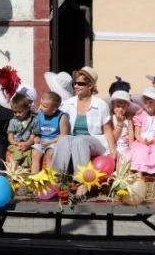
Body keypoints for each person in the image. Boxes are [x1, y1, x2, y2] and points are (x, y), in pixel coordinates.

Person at [51, 67, 117, 198]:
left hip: (95, 140)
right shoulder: (68, 103)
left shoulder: (101, 104)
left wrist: (113, 150)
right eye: (75, 83)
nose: (76, 86)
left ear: (90, 85)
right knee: (64, 139)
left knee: (80, 139)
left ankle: (82, 182)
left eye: (80, 83)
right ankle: (57, 179)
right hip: (74, 140)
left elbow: (108, 129)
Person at [130, 87, 155, 179]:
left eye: (151, 102)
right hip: (142, 140)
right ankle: (139, 176)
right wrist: (143, 141)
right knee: (140, 152)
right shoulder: (139, 115)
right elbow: (137, 134)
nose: (147, 104)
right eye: (146, 102)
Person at [32, 91, 68, 173]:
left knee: (50, 154)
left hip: (54, 141)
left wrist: (50, 142)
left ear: (53, 110)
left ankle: (48, 178)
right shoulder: (39, 114)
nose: (40, 107)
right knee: (35, 153)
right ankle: (33, 178)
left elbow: (63, 135)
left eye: (44, 106)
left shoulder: (61, 117)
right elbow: (35, 131)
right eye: (40, 104)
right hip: (42, 140)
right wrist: (36, 137)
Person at [6, 93, 40, 169]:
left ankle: (24, 175)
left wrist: (27, 144)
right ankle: (12, 173)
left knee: (27, 156)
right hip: (15, 145)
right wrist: (17, 144)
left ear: (28, 108)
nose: (17, 114)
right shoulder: (13, 121)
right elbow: (10, 137)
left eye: (20, 112)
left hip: (28, 145)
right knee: (18, 153)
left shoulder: (34, 120)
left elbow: (32, 137)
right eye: (14, 112)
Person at [109, 89, 138, 165]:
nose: (120, 109)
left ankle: (121, 173)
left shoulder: (128, 119)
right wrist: (120, 123)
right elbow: (112, 138)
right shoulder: (111, 118)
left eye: (123, 107)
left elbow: (131, 133)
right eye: (118, 106)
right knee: (113, 157)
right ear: (113, 106)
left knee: (127, 158)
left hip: (124, 146)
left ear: (127, 107)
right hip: (113, 146)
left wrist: (130, 146)